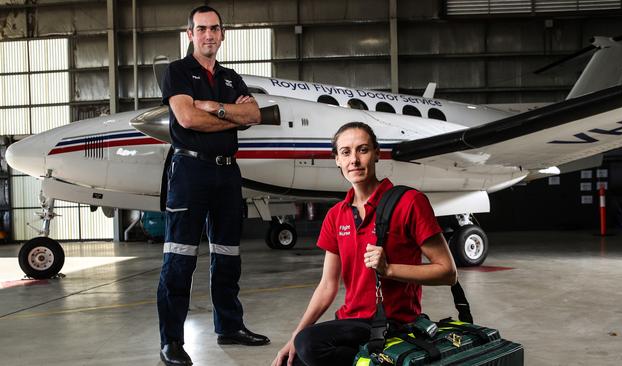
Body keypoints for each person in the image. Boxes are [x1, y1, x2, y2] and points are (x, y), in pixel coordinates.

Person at [272, 122, 457, 366]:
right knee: (295, 357)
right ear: (336, 159)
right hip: (351, 322)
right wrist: (294, 336)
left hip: (394, 322)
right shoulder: (336, 214)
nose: (354, 160)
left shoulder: (409, 202)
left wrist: (389, 269)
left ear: (377, 153)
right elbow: (327, 285)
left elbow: (448, 272)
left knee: (310, 345)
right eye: (346, 152)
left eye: (363, 150)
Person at [157, 5, 269, 366]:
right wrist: (230, 116)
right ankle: (172, 341)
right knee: (179, 258)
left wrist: (215, 109)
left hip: (226, 174)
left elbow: (253, 115)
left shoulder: (231, 77)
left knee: (227, 256)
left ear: (222, 34)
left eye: (214, 29)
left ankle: (230, 326)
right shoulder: (177, 71)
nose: (208, 35)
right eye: (201, 28)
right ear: (190, 34)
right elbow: (187, 118)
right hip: (189, 171)